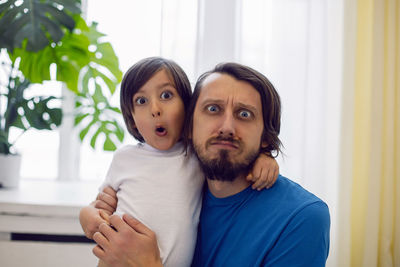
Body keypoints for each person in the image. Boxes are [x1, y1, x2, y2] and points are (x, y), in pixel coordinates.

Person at [91, 62, 330, 267]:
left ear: (266, 137)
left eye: (244, 114)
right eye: (213, 109)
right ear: (190, 126)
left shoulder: (301, 218)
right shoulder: (167, 186)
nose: (226, 127)